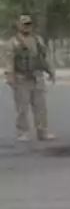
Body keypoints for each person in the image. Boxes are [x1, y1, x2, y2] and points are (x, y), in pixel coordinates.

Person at [4, 14, 56, 142]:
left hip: (37, 76)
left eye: (29, 24)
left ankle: (42, 131)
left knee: (41, 107)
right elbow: (9, 61)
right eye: (24, 24)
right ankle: (22, 132)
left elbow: (44, 57)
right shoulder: (13, 43)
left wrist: (51, 71)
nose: (27, 27)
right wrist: (10, 76)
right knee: (22, 107)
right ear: (19, 25)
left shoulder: (37, 40)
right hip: (22, 78)